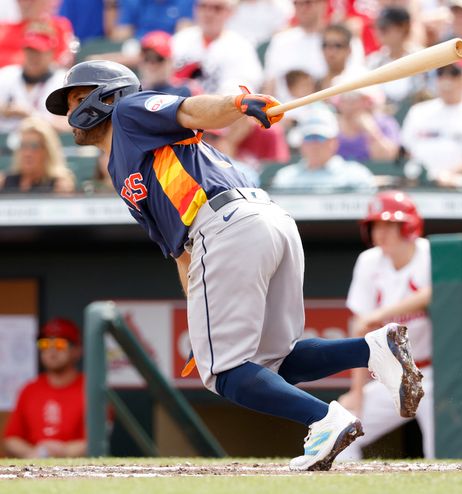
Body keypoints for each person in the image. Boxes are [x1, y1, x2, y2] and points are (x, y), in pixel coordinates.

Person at [45, 59, 423, 470]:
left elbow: (190, 110)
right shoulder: (124, 159)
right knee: (273, 361)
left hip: (226, 225)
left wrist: (239, 103)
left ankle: (325, 419)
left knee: (225, 374)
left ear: (108, 95)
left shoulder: (129, 112)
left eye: (78, 99)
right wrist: (200, 311)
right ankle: (372, 349)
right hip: (259, 223)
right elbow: (179, 249)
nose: (70, 114)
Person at [337, 190, 434, 460]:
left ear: (409, 225)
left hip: (437, 374)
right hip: (396, 376)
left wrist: (383, 313)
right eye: (376, 225)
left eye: (390, 224)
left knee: (443, 453)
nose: (382, 232)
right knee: (340, 428)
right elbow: (361, 332)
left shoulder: (429, 253)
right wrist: (357, 394)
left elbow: (432, 293)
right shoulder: (369, 261)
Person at [402, 60, 462, 187]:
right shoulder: (418, 111)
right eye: (441, 73)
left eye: (454, 73)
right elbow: (405, 150)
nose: (446, 80)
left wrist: (447, 174)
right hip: (418, 182)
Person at [3, 318, 87, 458]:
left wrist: (62, 451)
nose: (51, 350)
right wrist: (33, 454)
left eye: (60, 344)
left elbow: (96, 442)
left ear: (77, 350)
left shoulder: (92, 389)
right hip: (34, 471)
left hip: (80, 472)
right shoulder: (29, 389)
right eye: (45, 343)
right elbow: (11, 439)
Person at [271, 108, 376, 191]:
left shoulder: (357, 175)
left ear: (334, 141)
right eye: (309, 137)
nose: (314, 144)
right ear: (301, 143)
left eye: (321, 138)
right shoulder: (285, 177)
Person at [171, 0, 262, 95]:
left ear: (230, 12)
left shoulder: (241, 47)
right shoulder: (180, 40)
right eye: (203, 6)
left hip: (218, 106)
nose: (209, 13)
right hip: (179, 105)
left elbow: (243, 89)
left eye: (217, 8)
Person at [0, 29, 68, 133]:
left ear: (51, 53)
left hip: (46, 145)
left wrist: (30, 114)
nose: (33, 57)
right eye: (29, 51)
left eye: (38, 52)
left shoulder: (63, 81)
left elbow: (69, 125)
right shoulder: (6, 75)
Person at [0, 116, 74, 193]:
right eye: (23, 145)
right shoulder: (4, 182)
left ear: (47, 151)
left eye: (34, 146)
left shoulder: (58, 186)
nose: (27, 153)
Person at [333, 88, 400, 163]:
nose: (349, 103)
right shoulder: (330, 123)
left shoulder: (384, 122)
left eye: (354, 97)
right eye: (345, 97)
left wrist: (372, 131)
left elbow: (388, 156)